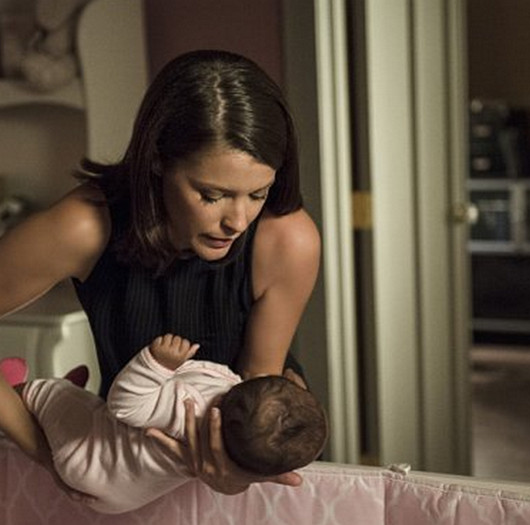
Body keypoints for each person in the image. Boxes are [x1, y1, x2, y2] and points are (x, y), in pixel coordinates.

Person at [0, 49, 321, 497]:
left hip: (243, 456)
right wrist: (48, 452)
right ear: (157, 160)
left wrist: (237, 473)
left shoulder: (288, 239)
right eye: (212, 195)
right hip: (124, 464)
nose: (238, 222)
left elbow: (258, 379)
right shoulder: (86, 226)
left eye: (258, 193)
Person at [10, 334, 327, 514]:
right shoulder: (239, 450)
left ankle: (16, 389)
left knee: (51, 395)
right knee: (85, 410)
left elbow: (125, 405)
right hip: (122, 497)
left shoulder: (190, 408)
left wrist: (154, 364)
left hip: (86, 456)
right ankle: (70, 401)